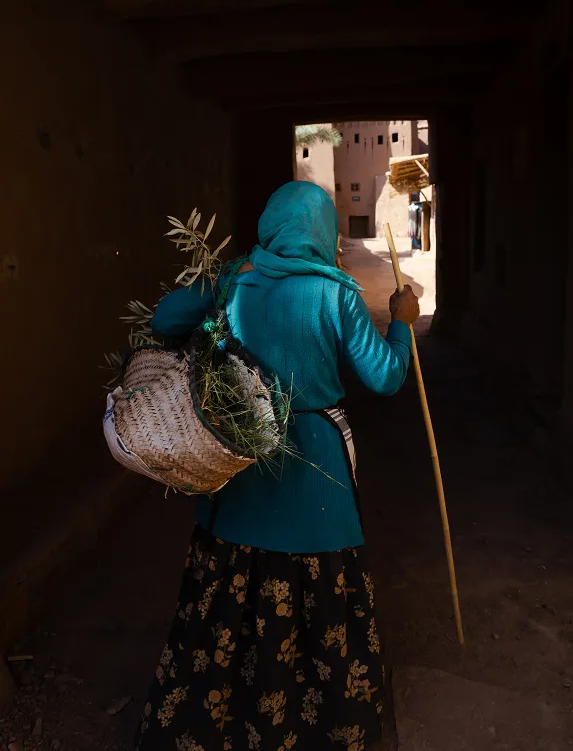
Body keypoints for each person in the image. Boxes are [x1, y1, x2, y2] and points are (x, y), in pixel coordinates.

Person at [135, 180, 419, 751]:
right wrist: (404, 322)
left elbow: (164, 319)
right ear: (322, 233)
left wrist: (212, 294)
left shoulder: (236, 280)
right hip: (321, 478)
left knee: (228, 598)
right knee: (322, 600)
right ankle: (326, 728)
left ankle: (218, 723)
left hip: (241, 460)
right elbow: (386, 376)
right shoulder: (333, 294)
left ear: (271, 226)